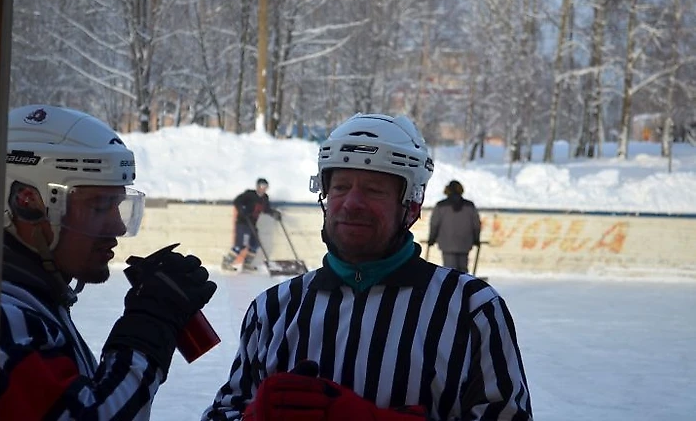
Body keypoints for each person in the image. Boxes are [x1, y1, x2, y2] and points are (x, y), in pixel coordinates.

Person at [203, 113, 532, 420]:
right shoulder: (273, 309)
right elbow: (225, 410)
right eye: (341, 187)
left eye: (374, 190)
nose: (352, 203)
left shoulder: (471, 308)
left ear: (412, 206)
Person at [0, 105, 216, 420]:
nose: (116, 227)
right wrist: (148, 325)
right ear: (28, 202)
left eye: (119, 205)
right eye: (100, 206)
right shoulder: (1, 317)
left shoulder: (32, 301)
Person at [221, 177, 282, 271]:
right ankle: (227, 263)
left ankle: (246, 264)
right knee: (240, 245)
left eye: (265, 186)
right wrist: (242, 209)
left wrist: (274, 214)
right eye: (261, 186)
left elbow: (266, 209)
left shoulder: (265, 198)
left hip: (252, 224)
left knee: (255, 244)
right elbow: (237, 201)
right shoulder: (249, 194)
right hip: (243, 223)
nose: (263, 188)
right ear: (257, 186)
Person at [428, 179, 482, 273]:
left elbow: (434, 224)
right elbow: (476, 224)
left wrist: (432, 238)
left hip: (447, 243)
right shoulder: (470, 206)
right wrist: (476, 239)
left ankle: (451, 287)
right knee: (463, 272)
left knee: (449, 271)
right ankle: (463, 287)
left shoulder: (440, 206)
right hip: (465, 243)